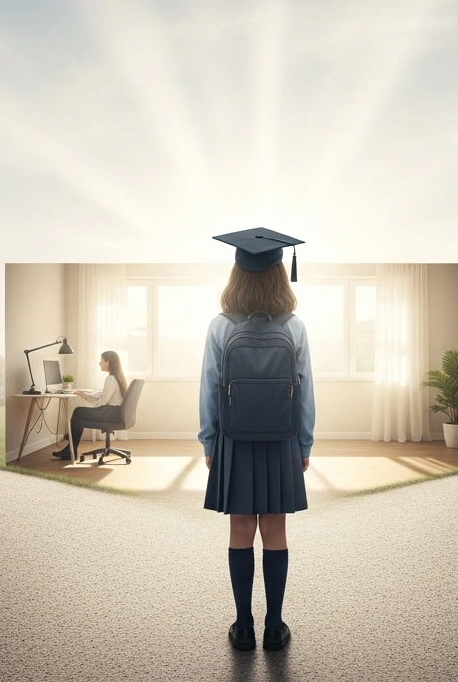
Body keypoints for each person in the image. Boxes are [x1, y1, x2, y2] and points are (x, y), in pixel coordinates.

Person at [200, 228, 314, 653]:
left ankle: (243, 626)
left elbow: (209, 388)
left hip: (235, 439)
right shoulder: (295, 326)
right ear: (280, 275)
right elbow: (306, 391)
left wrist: (209, 442)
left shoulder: (219, 326)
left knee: (241, 529)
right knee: (276, 529)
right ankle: (275, 625)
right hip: (282, 438)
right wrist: (304, 444)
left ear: (237, 274)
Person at [50, 350, 127, 461]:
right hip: (115, 413)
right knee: (79, 413)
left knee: (78, 412)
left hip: (109, 413)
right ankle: (70, 449)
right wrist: (85, 391)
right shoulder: (118, 377)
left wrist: (83, 395)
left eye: (102, 361)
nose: (99, 363)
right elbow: (103, 393)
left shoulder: (110, 379)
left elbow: (101, 403)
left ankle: (70, 450)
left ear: (108, 362)